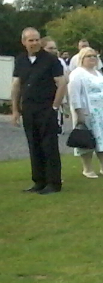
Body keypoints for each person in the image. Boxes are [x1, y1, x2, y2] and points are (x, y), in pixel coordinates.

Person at [10, 28, 67, 194]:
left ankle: (53, 183)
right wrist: (15, 110)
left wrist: (54, 107)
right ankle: (39, 181)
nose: (34, 43)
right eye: (31, 40)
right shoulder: (20, 60)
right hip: (29, 108)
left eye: (36, 40)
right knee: (33, 145)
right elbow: (16, 85)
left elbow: (62, 84)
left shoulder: (50, 60)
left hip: (46, 108)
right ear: (24, 42)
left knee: (49, 145)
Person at [68, 47, 103, 178]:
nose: (92, 58)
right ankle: (88, 169)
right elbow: (74, 95)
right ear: (81, 59)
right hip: (88, 113)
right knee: (87, 139)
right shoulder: (77, 74)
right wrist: (79, 112)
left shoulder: (98, 73)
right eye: (88, 56)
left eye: (94, 56)